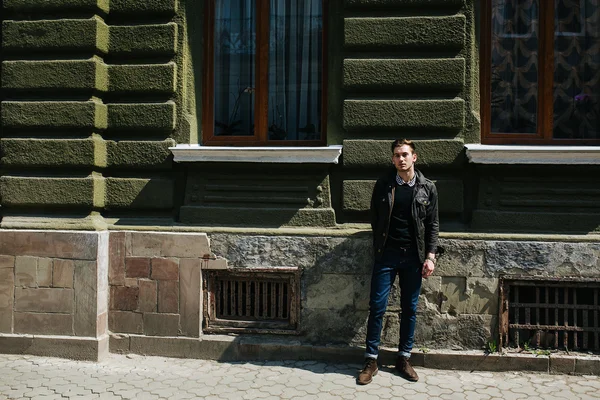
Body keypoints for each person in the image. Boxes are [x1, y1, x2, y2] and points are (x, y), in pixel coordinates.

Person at [357, 139, 439, 384]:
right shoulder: (384, 185)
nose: (400, 159)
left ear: (414, 157)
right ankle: (371, 360)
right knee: (377, 306)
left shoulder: (427, 188)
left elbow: (433, 225)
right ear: (392, 159)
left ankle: (404, 358)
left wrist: (430, 256)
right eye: (396, 155)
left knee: (410, 309)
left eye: (405, 154)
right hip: (387, 255)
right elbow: (375, 218)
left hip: (414, 257)